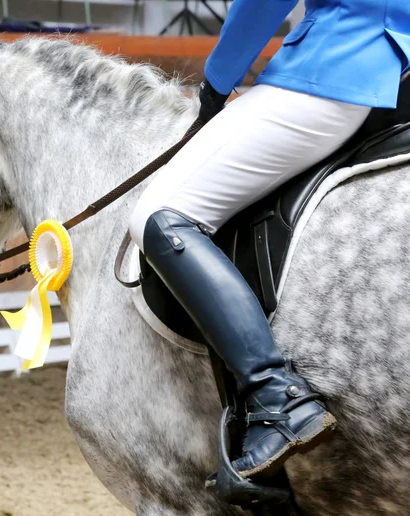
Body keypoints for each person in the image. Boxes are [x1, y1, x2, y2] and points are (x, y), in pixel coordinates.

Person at [129, 0, 410, 480]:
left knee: (159, 216)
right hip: (398, 73)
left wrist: (217, 84)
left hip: (336, 65)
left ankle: (274, 395)